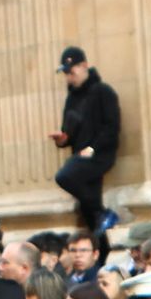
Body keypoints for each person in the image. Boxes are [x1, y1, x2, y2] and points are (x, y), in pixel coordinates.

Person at [51, 46, 121, 235]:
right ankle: (101, 235)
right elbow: (69, 130)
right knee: (89, 214)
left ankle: (102, 212)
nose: (69, 78)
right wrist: (62, 140)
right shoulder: (72, 98)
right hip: (81, 155)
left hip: (99, 155)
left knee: (64, 176)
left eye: (71, 72)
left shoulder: (103, 92)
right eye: (66, 74)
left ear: (84, 66)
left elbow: (111, 127)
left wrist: (92, 148)